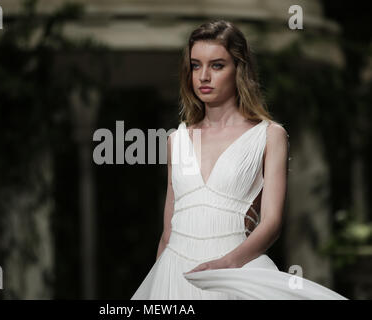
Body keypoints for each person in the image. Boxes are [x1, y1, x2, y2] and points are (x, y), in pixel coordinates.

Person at [131, 19, 347, 300]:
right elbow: (168, 231)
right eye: (196, 65)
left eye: (217, 65)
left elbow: (271, 223)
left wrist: (227, 265)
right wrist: (158, 285)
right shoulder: (177, 139)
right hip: (173, 275)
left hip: (235, 271)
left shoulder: (269, 135)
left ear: (239, 69)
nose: (203, 76)